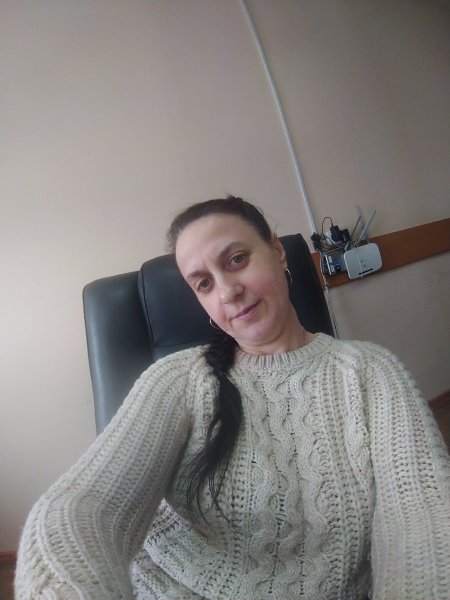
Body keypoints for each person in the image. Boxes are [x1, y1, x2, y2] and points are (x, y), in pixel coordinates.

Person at [15, 196, 450, 599]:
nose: (226, 291)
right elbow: (84, 507)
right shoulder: (179, 379)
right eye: (204, 284)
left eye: (237, 259)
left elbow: (422, 521)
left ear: (277, 252)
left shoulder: (372, 373)